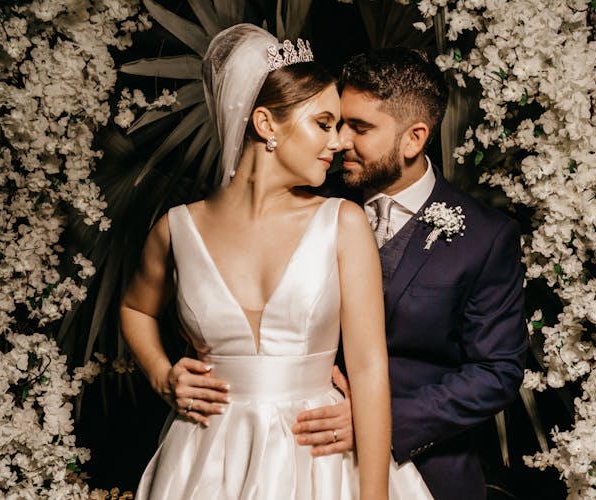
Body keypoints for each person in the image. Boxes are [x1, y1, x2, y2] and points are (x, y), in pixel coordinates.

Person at [120, 25, 432, 500]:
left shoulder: (342, 223)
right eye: (324, 124)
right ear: (267, 125)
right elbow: (135, 309)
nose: (338, 143)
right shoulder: (176, 229)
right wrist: (162, 374)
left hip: (319, 463)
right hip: (205, 459)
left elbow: (369, 369)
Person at [291, 48, 528, 500]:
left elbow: (496, 371)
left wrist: (378, 419)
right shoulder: (309, 205)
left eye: (360, 128)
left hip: (426, 470)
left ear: (413, 138)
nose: (339, 141)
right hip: (300, 454)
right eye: (339, 123)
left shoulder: (486, 237)